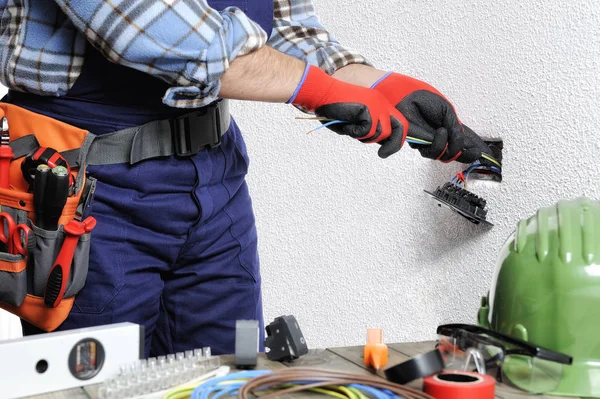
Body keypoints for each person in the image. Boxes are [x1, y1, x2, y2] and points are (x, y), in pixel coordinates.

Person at [0, 0, 483, 357]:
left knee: (229, 376)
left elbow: (278, 21)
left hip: (215, 176)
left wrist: (367, 80)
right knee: (103, 386)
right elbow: (146, 25)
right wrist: (318, 89)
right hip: (86, 187)